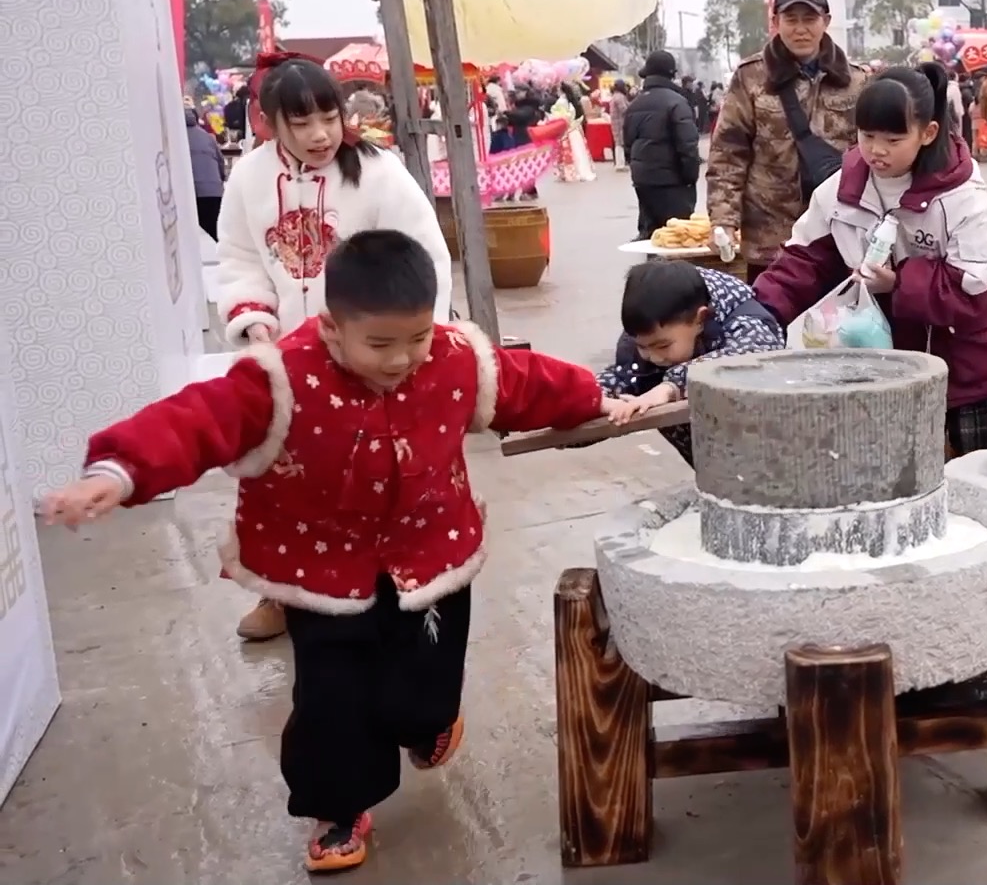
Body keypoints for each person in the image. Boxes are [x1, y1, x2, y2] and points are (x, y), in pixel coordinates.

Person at [38, 229, 646, 872]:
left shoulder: (453, 358)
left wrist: (596, 398)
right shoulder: (278, 378)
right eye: (379, 344)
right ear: (332, 327)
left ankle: (427, 722)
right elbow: (195, 421)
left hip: (431, 554)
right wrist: (118, 472)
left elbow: (527, 384)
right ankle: (338, 808)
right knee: (332, 698)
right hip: (320, 570)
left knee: (425, 688)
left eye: (416, 338)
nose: (401, 359)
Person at [212, 56, 455, 644]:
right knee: (283, 482)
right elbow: (239, 258)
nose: (320, 135)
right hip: (288, 362)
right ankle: (282, 593)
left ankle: (386, 585)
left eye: (328, 117)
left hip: (368, 359)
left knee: (373, 476)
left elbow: (425, 255)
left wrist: (412, 344)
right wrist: (255, 322)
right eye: (301, 123)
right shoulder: (248, 179)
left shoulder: (379, 172)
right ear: (269, 121)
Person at [753, 63, 987, 485]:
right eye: (867, 136)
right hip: (895, 369)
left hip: (977, 367)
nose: (876, 151)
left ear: (928, 132)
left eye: (893, 139)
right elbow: (804, 261)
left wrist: (899, 283)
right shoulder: (841, 192)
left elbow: (974, 288)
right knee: (902, 488)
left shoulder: (964, 200)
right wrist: (758, 313)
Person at [707, 0, 869, 280]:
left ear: (826, 21)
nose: (800, 29)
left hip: (837, 234)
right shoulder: (751, 77)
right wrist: (723, 220)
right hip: (769, 238)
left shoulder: (856, 81)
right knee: (770, 307)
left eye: (809, 19)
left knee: (836, 310)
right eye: (791, 20)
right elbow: (728, 153)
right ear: (776, 22)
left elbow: (871, 153)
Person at [597, 259, 787, 464]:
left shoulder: (744, 319)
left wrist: (671, 386)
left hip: (771, 453)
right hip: (707, 460)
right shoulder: (647, 339)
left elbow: (753, 354)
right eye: (642, 347)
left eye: (663, 346)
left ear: (700, 319)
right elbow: (622, 376)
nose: (654, 357)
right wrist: (592, 398)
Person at [624, 51, 704, 240]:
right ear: (672, 74)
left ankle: (650, 259)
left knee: (651, 236)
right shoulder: (677, 102)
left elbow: (628, 145)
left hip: (643, 182)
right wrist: (690, 177)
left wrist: (638, 171)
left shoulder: (635, 104)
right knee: (677, 237)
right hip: (672, 182)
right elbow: (688, 146)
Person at [186, 107, 225, 239]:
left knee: (192, 237)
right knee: (215, 234)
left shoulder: (175, 138)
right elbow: (220, 162)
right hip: (214, 191)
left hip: (192, 193)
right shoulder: (207, 137)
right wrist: (219, 182)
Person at [607, 79, 632, 171]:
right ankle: (620, 164)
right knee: (620, 144)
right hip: (620, 123)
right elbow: (624, 109)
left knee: (618, 143)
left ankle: (620, 163)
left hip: (616, 122)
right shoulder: (620, 97)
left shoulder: (615, 96)